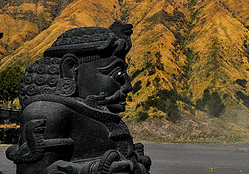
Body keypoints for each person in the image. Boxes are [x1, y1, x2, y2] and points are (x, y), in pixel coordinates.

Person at [7, 22, 151, 174]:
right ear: (70, 69)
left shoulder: (94, 114)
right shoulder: (48, 113)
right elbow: (34, 171)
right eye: (117, 74)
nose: (128, 86)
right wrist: (94, 169)